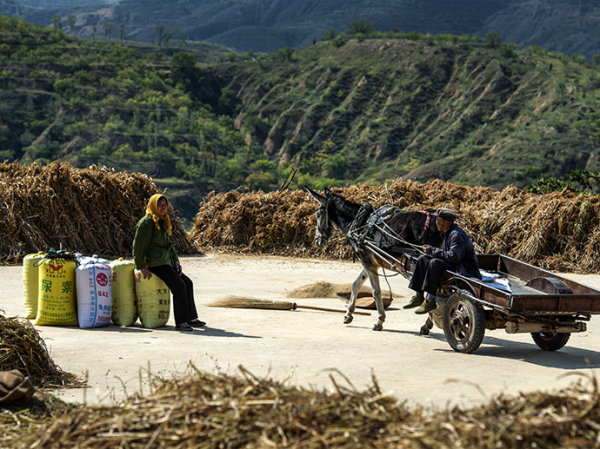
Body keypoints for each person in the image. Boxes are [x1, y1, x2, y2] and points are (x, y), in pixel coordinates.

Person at [132, 193, 206, 331]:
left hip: (165, 263)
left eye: (165, 205)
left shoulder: (162, 221)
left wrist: (176, 262)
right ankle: (181, 322)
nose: (163, 207)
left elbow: (169, 246)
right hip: (155, 263)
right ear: (153, 205)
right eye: (160, 205)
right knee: (179, 286)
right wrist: (142, 267)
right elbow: (138, 246)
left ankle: (191, 318)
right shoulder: (147, 222)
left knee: (188, 283)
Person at [404, 207, 481, 314]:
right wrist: (431, 251)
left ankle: (430, 300)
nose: (436, 223)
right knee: (422, 259)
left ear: (447, 222)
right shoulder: (447, 233)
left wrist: (433, 250)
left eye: (438, 220)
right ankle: (418, 295)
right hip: (455, 264)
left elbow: (454, 256)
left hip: (463, 268)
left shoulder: (456, 235)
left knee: (434, 263)